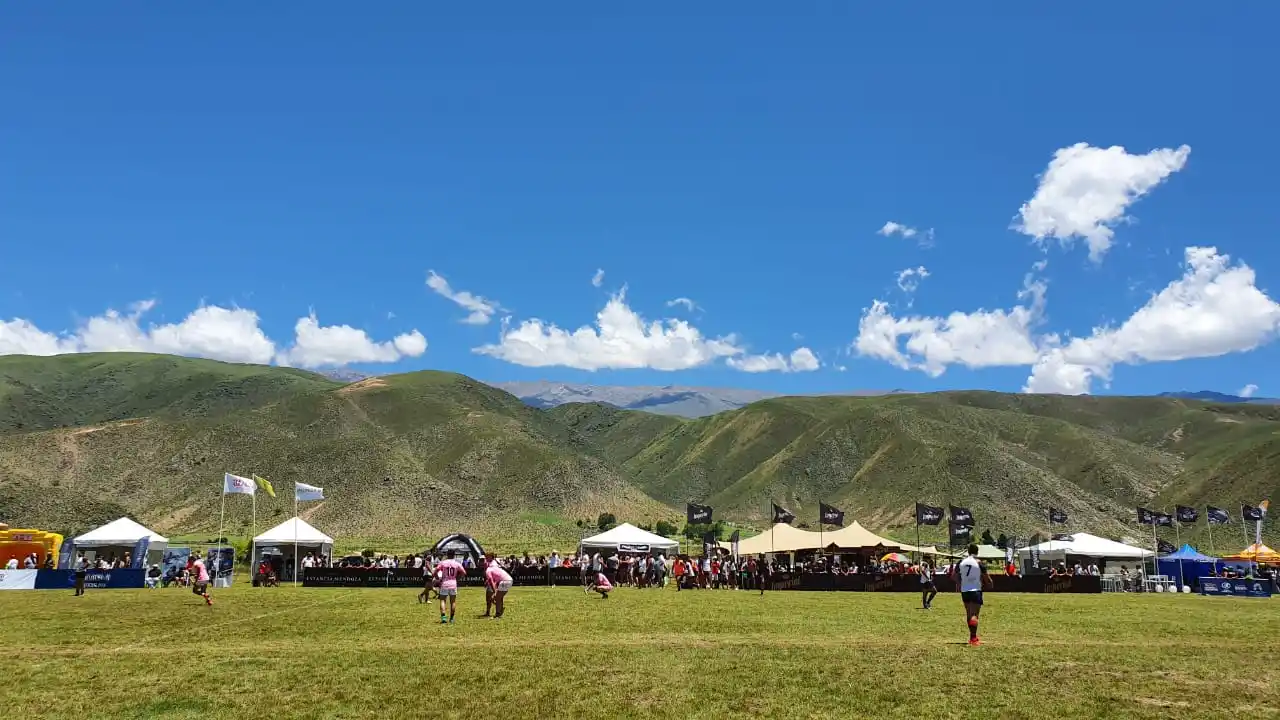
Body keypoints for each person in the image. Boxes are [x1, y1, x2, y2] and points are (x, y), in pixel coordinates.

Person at [951, 544, 992, 646]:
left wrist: (960, 584)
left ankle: (971, 637)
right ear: (977, 552)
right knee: (974, 615)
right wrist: (990, 584)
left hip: (964, 591)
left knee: (969, 614)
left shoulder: (961, 562)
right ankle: (973, 638)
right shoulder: (979, 563)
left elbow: (953, 576)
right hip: (976, 590)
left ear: (968, 551)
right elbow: (986, 577)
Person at [435, 549, 466, 624]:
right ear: (454, 555)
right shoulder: (457, 563)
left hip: (444, 583)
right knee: (453, 602)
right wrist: (457, 578)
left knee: (442, 600)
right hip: (453, 584)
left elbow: (435, 570)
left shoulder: (443, 562)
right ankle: (451, 619)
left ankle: (443, 618)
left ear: (447, 555)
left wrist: (437, 578)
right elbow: (464, 572)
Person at [483, 553, 513, 619]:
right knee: (497, 598)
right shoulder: (493, 567)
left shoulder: (488, 571)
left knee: (496, 598)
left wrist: (494, 591)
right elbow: (493, 579)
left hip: (505, 581)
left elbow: (491, 581)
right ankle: (499, 611)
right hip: (508, 579)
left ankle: (498, 614)